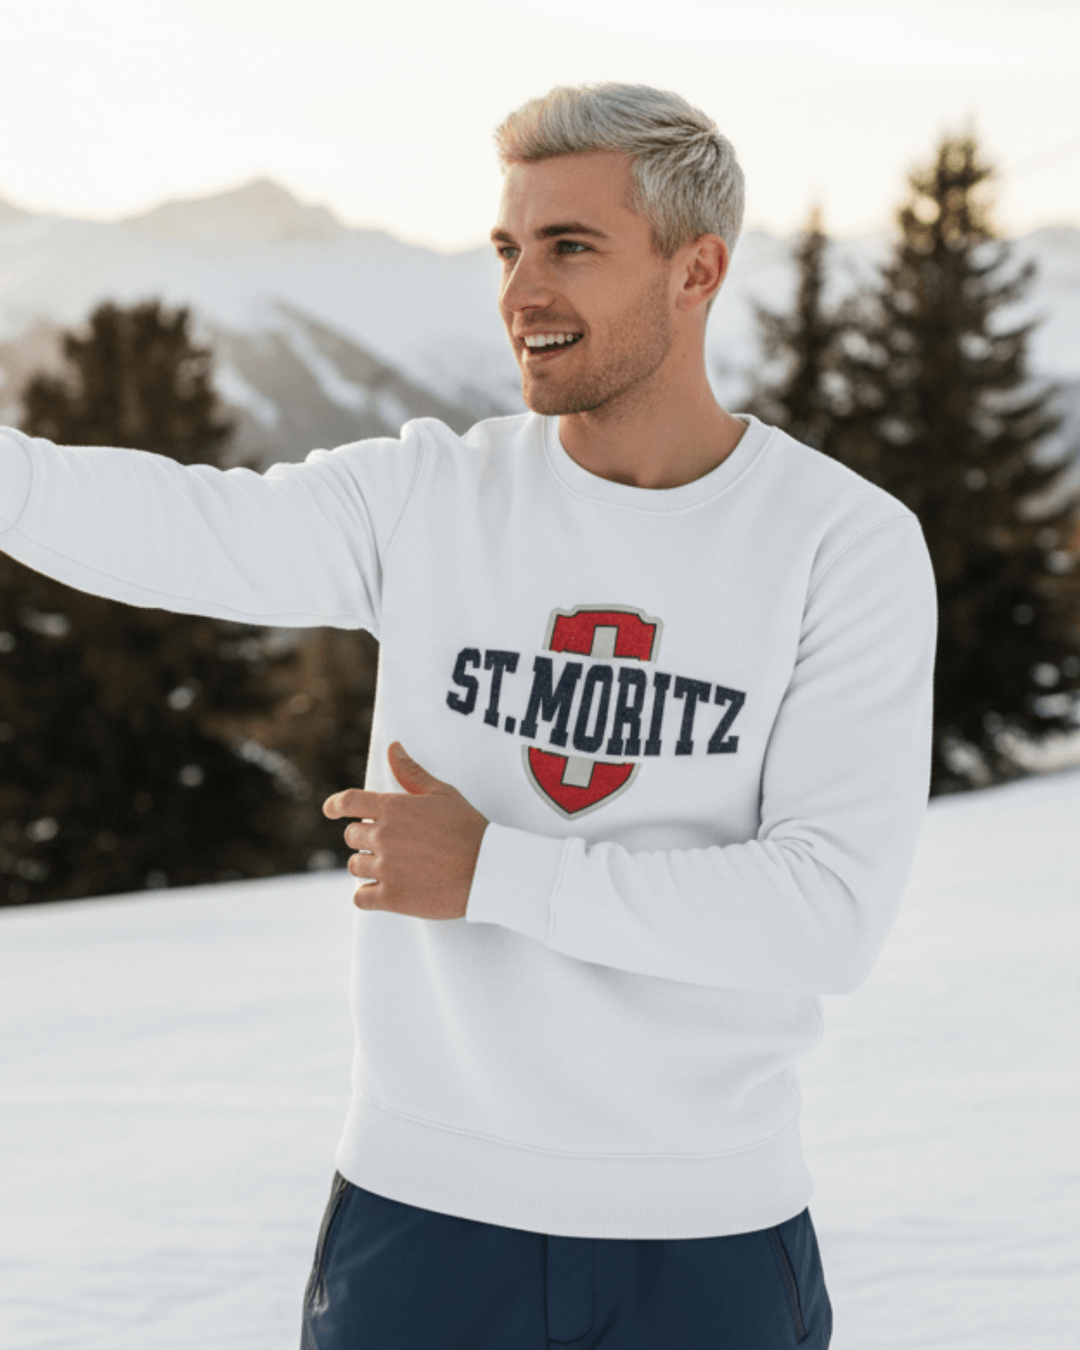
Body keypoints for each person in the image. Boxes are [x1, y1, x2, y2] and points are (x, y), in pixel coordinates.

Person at [0, 83, 936, 1349]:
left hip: (710, 1240)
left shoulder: (846, 546)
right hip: (421, 1222)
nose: (520, 292)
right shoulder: (429, 496)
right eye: (508, 248)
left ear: (696, 269)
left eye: (570, 247)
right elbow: (186, 527)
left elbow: (825, 917)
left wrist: (496, 872)